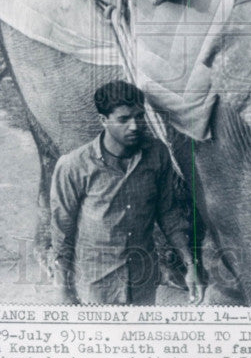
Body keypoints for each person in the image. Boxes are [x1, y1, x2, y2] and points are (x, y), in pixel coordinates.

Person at [50, 81, 200, 305]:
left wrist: (190, 266)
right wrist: (63, 290)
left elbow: (169, 214)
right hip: (97, 287)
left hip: (142, 283)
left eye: (139, 116)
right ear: (104, 120)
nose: (135, 126)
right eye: (124, 119)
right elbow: (62, 232)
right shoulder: (74, 166)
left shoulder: (157, 154)